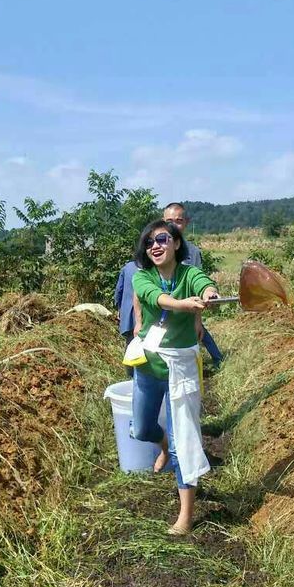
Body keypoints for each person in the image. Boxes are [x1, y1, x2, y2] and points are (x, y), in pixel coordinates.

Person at [131, 219, 219, 535]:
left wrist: (209, 292)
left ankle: (185, 515)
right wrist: (181, 305)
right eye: (150, 242)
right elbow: (155, 298)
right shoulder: (142, 277)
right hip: (150, 364)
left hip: (181, 365)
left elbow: (204, 281)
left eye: (162, 239)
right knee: (141, 428)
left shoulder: (187, 273)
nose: (155, 246)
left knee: (186, 438)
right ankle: (163, 446)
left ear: (176, 243)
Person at [163, 202, 223, 367]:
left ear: (186, 222)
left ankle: (215, 361)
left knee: (194, 339)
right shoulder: (154, 248)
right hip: (160, 310)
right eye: (169, 221)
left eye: (178, 221)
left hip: (187, 309)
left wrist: (198, 317)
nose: (173, 225)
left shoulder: (192, 252)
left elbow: (200, 282)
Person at [114, 259, 139, 376]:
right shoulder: (152, 267)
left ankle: (130, 372)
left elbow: (119, 290)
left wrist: (119, 308)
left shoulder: (127, 267)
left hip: (128, 313)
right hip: (144, 314)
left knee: (130, 342)